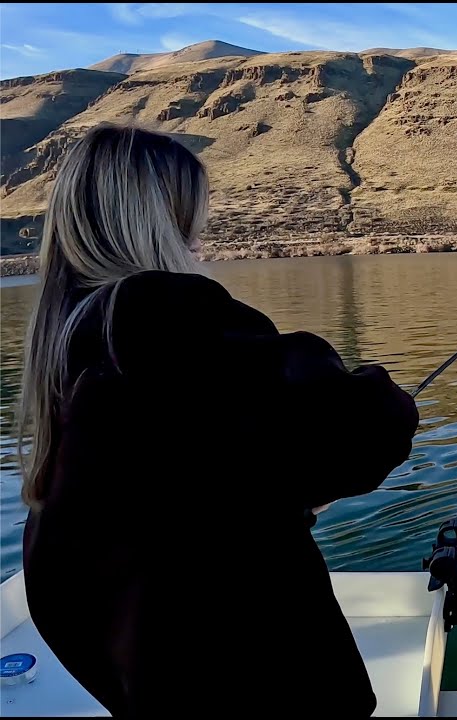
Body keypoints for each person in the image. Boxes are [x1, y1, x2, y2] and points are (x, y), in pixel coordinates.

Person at [17, 124, 419, 716]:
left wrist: (269, 497)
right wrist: (379, 393)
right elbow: (353, 429)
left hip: (159, 678)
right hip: (244, 678)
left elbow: (183, 479)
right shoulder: (161, 313)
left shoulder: (72, 336)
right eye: (191, 220)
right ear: (161, 220)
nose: (198, 239)